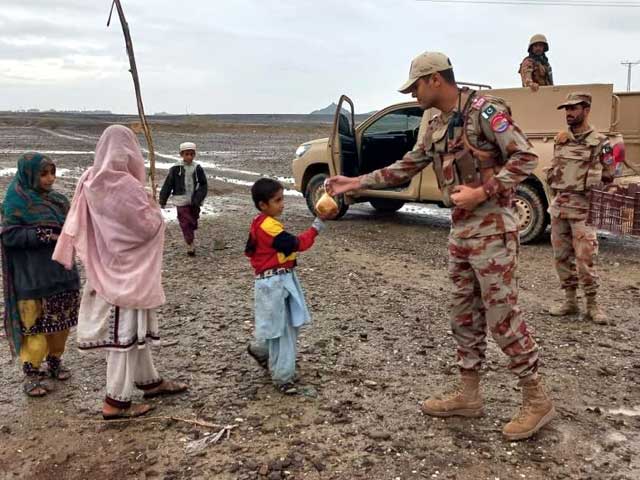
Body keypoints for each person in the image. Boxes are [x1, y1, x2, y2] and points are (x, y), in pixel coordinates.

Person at [326, 51, 555, 440]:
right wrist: (356, 182)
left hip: (493, 229)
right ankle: (469, 395)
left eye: (416, 85)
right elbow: (408, 165)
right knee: (463, 314)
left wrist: (484, 190)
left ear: (435, 80)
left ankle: (537, 399)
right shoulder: (434, 121)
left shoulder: (484, 111)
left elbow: (525, 156)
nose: (413, 93)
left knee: (501, 316)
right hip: (462, 230)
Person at [53, 125, 187, 419]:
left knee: (133, 329)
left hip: (107, 267)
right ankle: (115, 402)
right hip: (126, 274)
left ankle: (148, 381)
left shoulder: (89, 180)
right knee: (123, 335)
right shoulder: (123, 186)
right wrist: (152, 207)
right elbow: (145, 227)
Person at [1, 153, 80, 397]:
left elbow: (74, 227)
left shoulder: (59, 201)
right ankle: (32, 373)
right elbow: (8, 236)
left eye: (52, 173)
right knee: (34, 329)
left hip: (62, 275)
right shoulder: (16, 202)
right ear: (29, 174)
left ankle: (55, 362)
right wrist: (39, 235)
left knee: (60, 327)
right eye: (43, 174)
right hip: (33, 278)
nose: (50, 179)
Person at [244, 178, 325, 394]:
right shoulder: (270, 226)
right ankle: (283, 377)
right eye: (278, 200)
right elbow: (297, 244)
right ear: (263, 204)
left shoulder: (258, 222)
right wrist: (317, 225)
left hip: (268, 280)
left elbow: (251, 250)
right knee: (286, 328)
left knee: (277, 324)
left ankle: (262, 349)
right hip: (277, 281)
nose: (282, 204)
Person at [547, 92, 616, 324]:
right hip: (560, 208)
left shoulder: (600, 142)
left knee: (585, 259)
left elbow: (610, 174)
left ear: (586, 110)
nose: (569, 113)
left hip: (583, 209)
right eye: (566, 109)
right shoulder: (562, 139)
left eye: (574, 109)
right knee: (561, 258)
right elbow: (554, 170)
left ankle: (592, 305)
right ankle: (569, 301)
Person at [159, 142, 208, 256]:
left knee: (193, 220)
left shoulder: (197, 168)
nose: (189, 157)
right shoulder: (175, 169)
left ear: (194, 154)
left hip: (194, 201)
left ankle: (190, 234)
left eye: (192, 154)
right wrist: (163, 200)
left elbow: (203, 184)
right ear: (182, 154)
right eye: (187, 154)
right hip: (180, 200)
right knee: (185, 222)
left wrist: (199, 197)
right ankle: (190, 244)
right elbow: (168, 185)